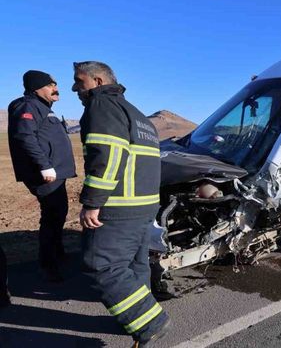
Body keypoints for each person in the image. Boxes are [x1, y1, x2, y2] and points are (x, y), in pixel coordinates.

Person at [72, 61, 170, 347]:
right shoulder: (137, 113)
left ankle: (150, 322)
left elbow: (109, 155)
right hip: (144, 206)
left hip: (119, 207)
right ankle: (136, 320)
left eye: (79, 81)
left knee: (101, 264)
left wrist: (92, 202)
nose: (74, 88)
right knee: (134, 266)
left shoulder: (102, 106)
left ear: (98, 81)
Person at [7, 70, 77, 282]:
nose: (56, 89)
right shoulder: (28, 106)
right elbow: (25, 136)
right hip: (45, 175)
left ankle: (58, 255)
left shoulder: (44, 108)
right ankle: (48, 265)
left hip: (56, 174)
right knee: (52, 217)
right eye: (51, 85)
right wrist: (44, 166)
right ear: (36, 88)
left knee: (58, 214)